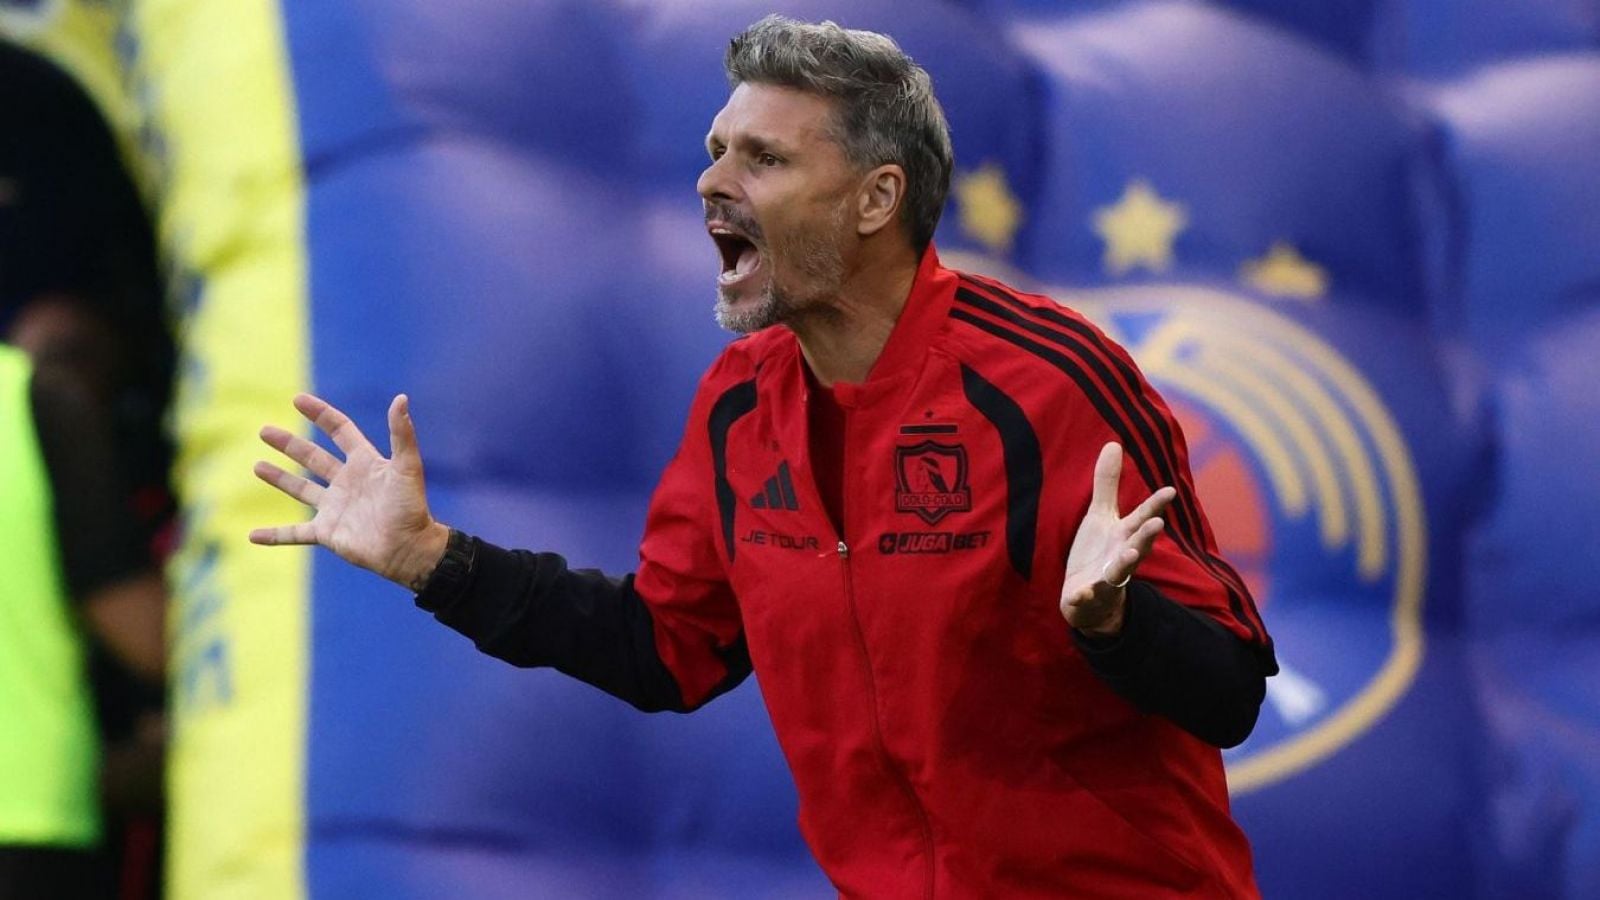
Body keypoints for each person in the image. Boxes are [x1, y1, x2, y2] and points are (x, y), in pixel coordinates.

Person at [251, 16, 1277, 898]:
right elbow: (663, 648)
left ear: (875, 200)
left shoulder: (1049, 380)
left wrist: (1114, 625)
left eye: (763, 159)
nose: (711, 181)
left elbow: (1229, 689)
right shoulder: (739, 404)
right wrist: (432, 559)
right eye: (715, 150)